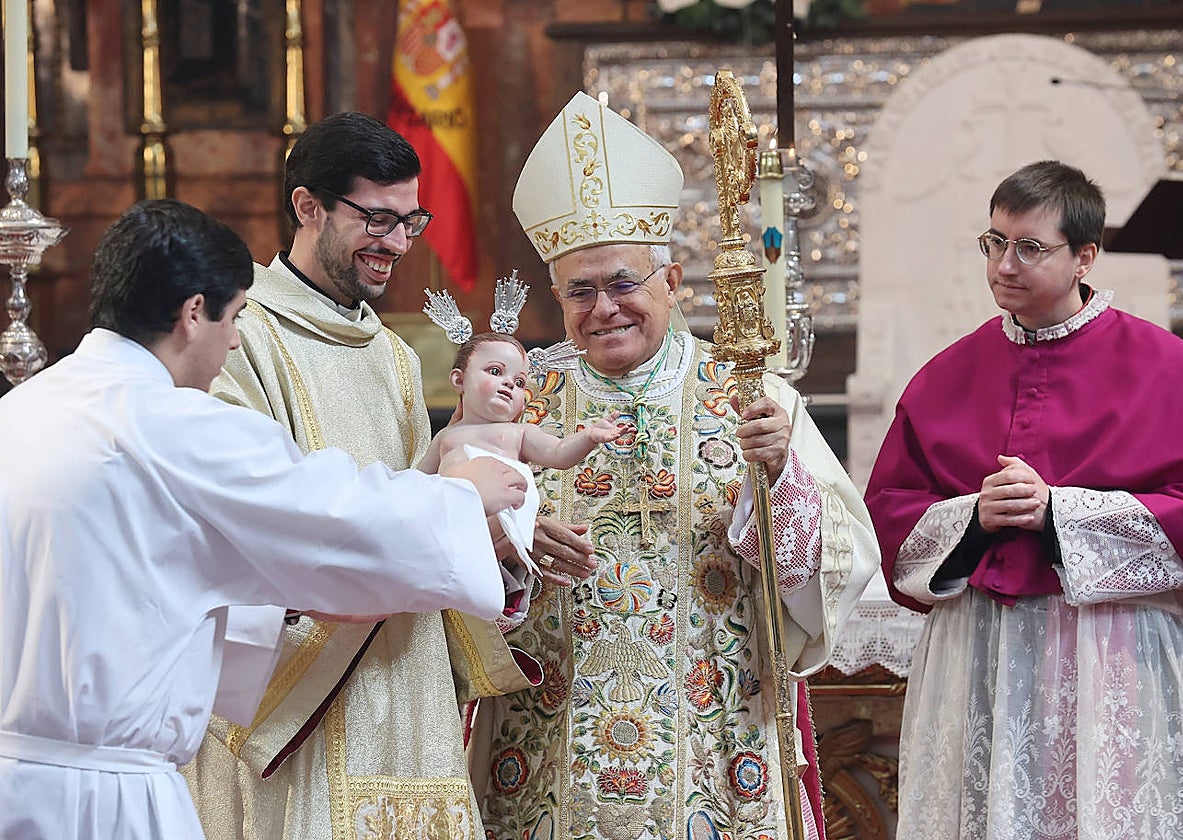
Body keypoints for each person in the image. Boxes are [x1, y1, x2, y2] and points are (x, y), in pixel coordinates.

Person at [0, 199, 526, 840]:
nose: (237, 339)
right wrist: (461, 496)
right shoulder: (177, 427)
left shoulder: (23, 409)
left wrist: (272, 595)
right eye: (237, 316)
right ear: (195, 313)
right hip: (109, 800)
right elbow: (335, 521)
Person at [474, 91, 880, 840]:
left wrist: (778, 486)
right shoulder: (517, 405)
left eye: (623, 284)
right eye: (580, 291)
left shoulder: (752, 397)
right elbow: (443, 559)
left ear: (673, 283)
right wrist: (502, 548)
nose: (604, 309)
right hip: (546, 751)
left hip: (716, 747)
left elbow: (839, 570)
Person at [184, 113, 547, 839]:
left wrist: (499, 540)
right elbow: (245, 524)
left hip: (408, 689)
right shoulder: (242, 338)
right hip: (299, 696)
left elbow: (432, 499)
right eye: (377, 219)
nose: (399, 244)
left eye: (411, 220)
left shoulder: (394, 357)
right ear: (307, 206)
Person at [864, 160, 1183, 839]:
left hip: (1114, 652)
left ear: (1084, 257)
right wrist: (972, 516)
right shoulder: (946, 374)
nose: (1004, 265)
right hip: (978, 650)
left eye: (1029, 248)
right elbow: (888, 515)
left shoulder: (1171, 369)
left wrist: (1062, 512)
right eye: (994, 242)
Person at [416, 332, 622, 476]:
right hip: (452, 526)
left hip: (499, 526)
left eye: (520, 382)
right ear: (459, 380)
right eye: (495, 371)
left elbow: (559, 453)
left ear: (523, 403)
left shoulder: (519, 433)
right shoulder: (446, 436)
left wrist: (589, 436)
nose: (509, 383)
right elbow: (417, 483)